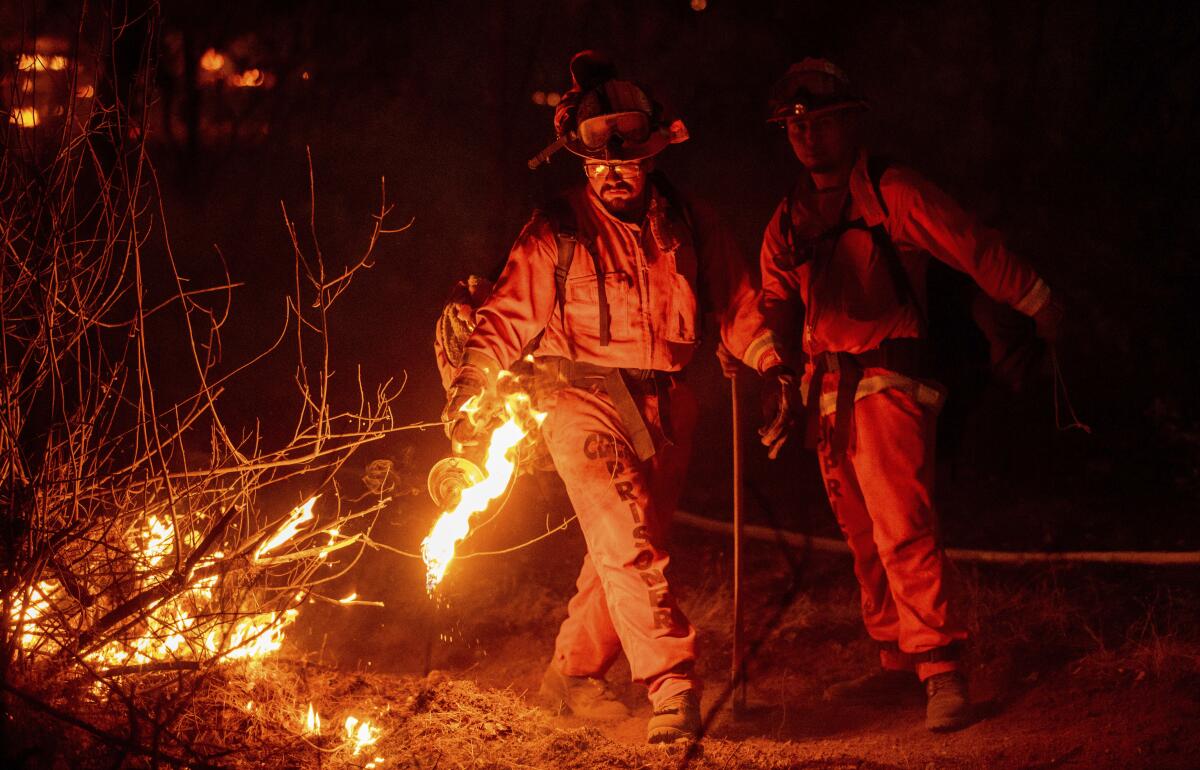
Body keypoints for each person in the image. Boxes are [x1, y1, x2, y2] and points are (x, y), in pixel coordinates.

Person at [442, 51, 782, 744]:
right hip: (582, 399)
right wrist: (472, 384)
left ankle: (571, 675)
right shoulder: (556, 229)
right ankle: (673, 685)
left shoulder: (691, 221)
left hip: (671, 404)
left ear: (652, 155)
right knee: (628, 543)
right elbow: (506, 316)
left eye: (626, 161)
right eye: (600, 163)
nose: (614, 172)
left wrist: (774, 365)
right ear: (583, 161)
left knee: (626, 548)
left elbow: (740, 304)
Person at [754, 59, 1063, 732]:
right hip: (826, 391)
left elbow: (970, 245)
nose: (808, 138)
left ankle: (941, 668)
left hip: (891, 381)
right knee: (863, 538)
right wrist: (773, 373)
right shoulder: (790, 217)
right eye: (797, 126)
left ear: (851, 123)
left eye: (823, 123)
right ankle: (897, 659)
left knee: (902, 529)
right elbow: (774, 298)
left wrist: (1036, 299)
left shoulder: (891, 191)